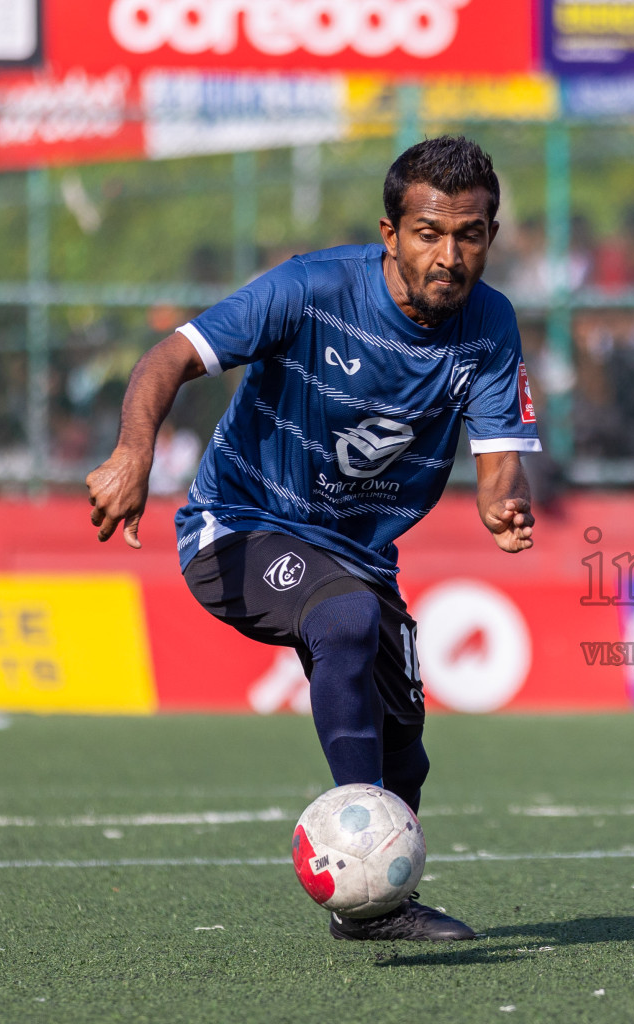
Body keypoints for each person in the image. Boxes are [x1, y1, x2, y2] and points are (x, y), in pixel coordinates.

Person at [84, 136, 540, 941]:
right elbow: (170, 356)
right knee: (344, 620)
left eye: (470, 234)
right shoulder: (310, 288)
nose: (450, 255)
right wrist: (133, 452)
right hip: (237, 527)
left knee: (407, 756)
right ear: (390, 232)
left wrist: (505, 507)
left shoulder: (492, 325)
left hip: (361, 557)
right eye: (430, 233)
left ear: (491, 237)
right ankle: (360, 851)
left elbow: (500, 468)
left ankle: (368, 911)